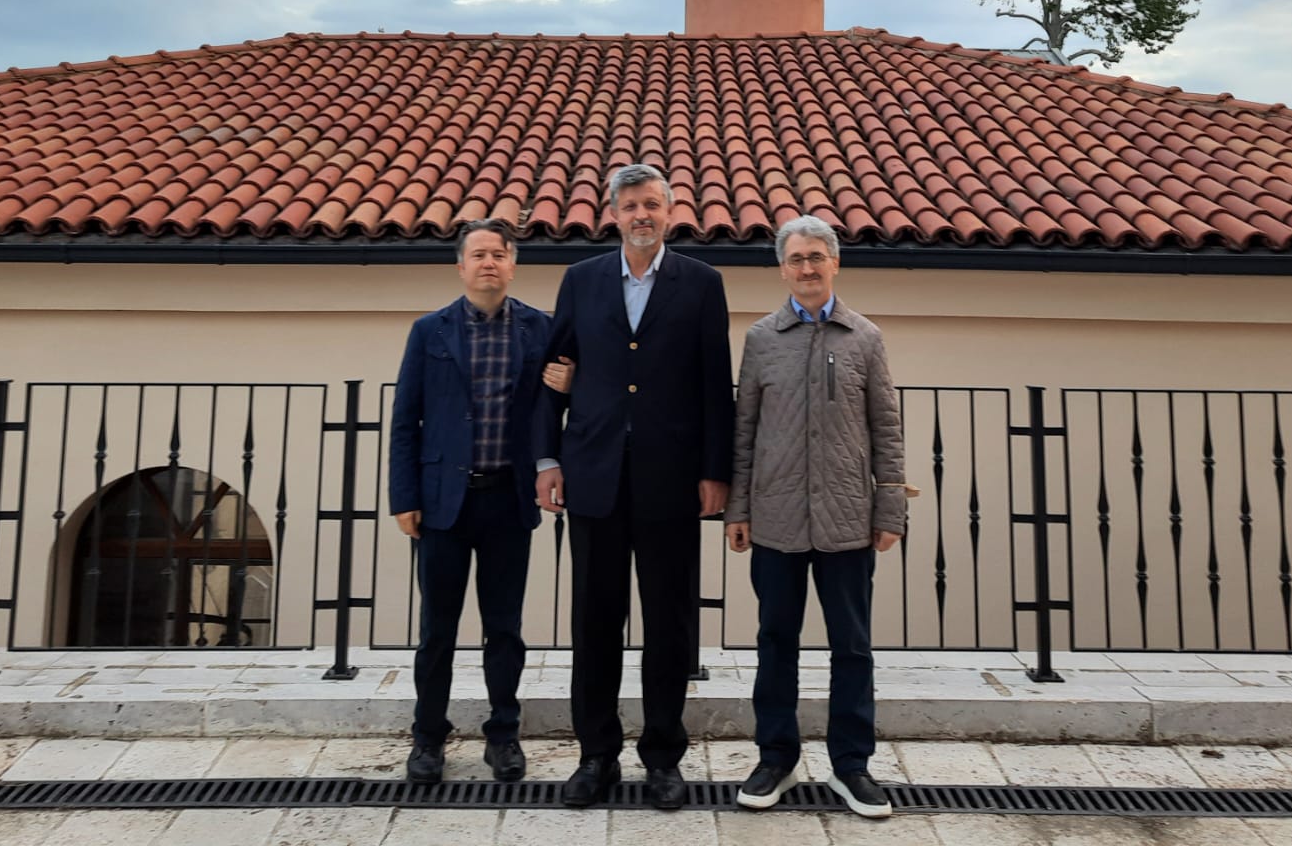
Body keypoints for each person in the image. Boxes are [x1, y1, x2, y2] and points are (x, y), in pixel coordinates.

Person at [532, 162, 735, 809]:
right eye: (630, 206)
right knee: (594, 622)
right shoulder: (582, 280)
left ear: (670, 211)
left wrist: (715, 471)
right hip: (591, 478)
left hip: (672, 483)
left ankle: (664, 757)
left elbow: (714, 385)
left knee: (671, 625)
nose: (642, 215)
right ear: (613, 214)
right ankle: (596, 756)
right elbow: (553, 372)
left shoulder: (702, 284)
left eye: (652, 204)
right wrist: (546, 461)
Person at [726, 215, 907, 820]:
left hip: (848, 521)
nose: (807, 268)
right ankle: (776, 756)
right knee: (776, 641)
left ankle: (852, 766)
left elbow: (886, 428)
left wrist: (889, 509)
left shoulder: (865, 338)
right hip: (776, 519)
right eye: (796, 258)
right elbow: (743, 431)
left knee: (850, 646)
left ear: (835, 264)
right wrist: (739, 508)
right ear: (782, 269)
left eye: (816, 258)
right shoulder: (760, 340)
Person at [387, 218, 551, 785]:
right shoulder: (429, 331)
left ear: (512, 265)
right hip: (441, 506)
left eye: (498, 254)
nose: (488, 263)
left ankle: (503, 735)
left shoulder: (540, 329)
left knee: (504, 627)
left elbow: (554, 409)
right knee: (437, 628)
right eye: (477, 254)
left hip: (508, 499)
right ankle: (428, 737)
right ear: (460, 266)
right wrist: (404, 496)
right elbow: (406, 419)